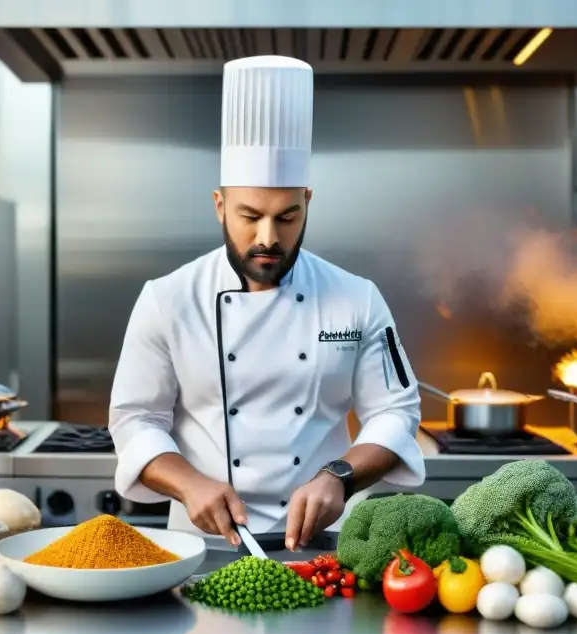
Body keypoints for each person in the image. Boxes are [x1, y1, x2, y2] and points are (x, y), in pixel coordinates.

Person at [108, 55, 425, 551]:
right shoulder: (168, 299)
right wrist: (189, 483)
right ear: (219, 206)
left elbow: (396, 412)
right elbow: (135, 422)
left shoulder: (356, 297)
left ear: (308, 203)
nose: (267, 238)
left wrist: (339, 476)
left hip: (330, 542)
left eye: (287, 217)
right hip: (204, 542)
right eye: (249, 215)